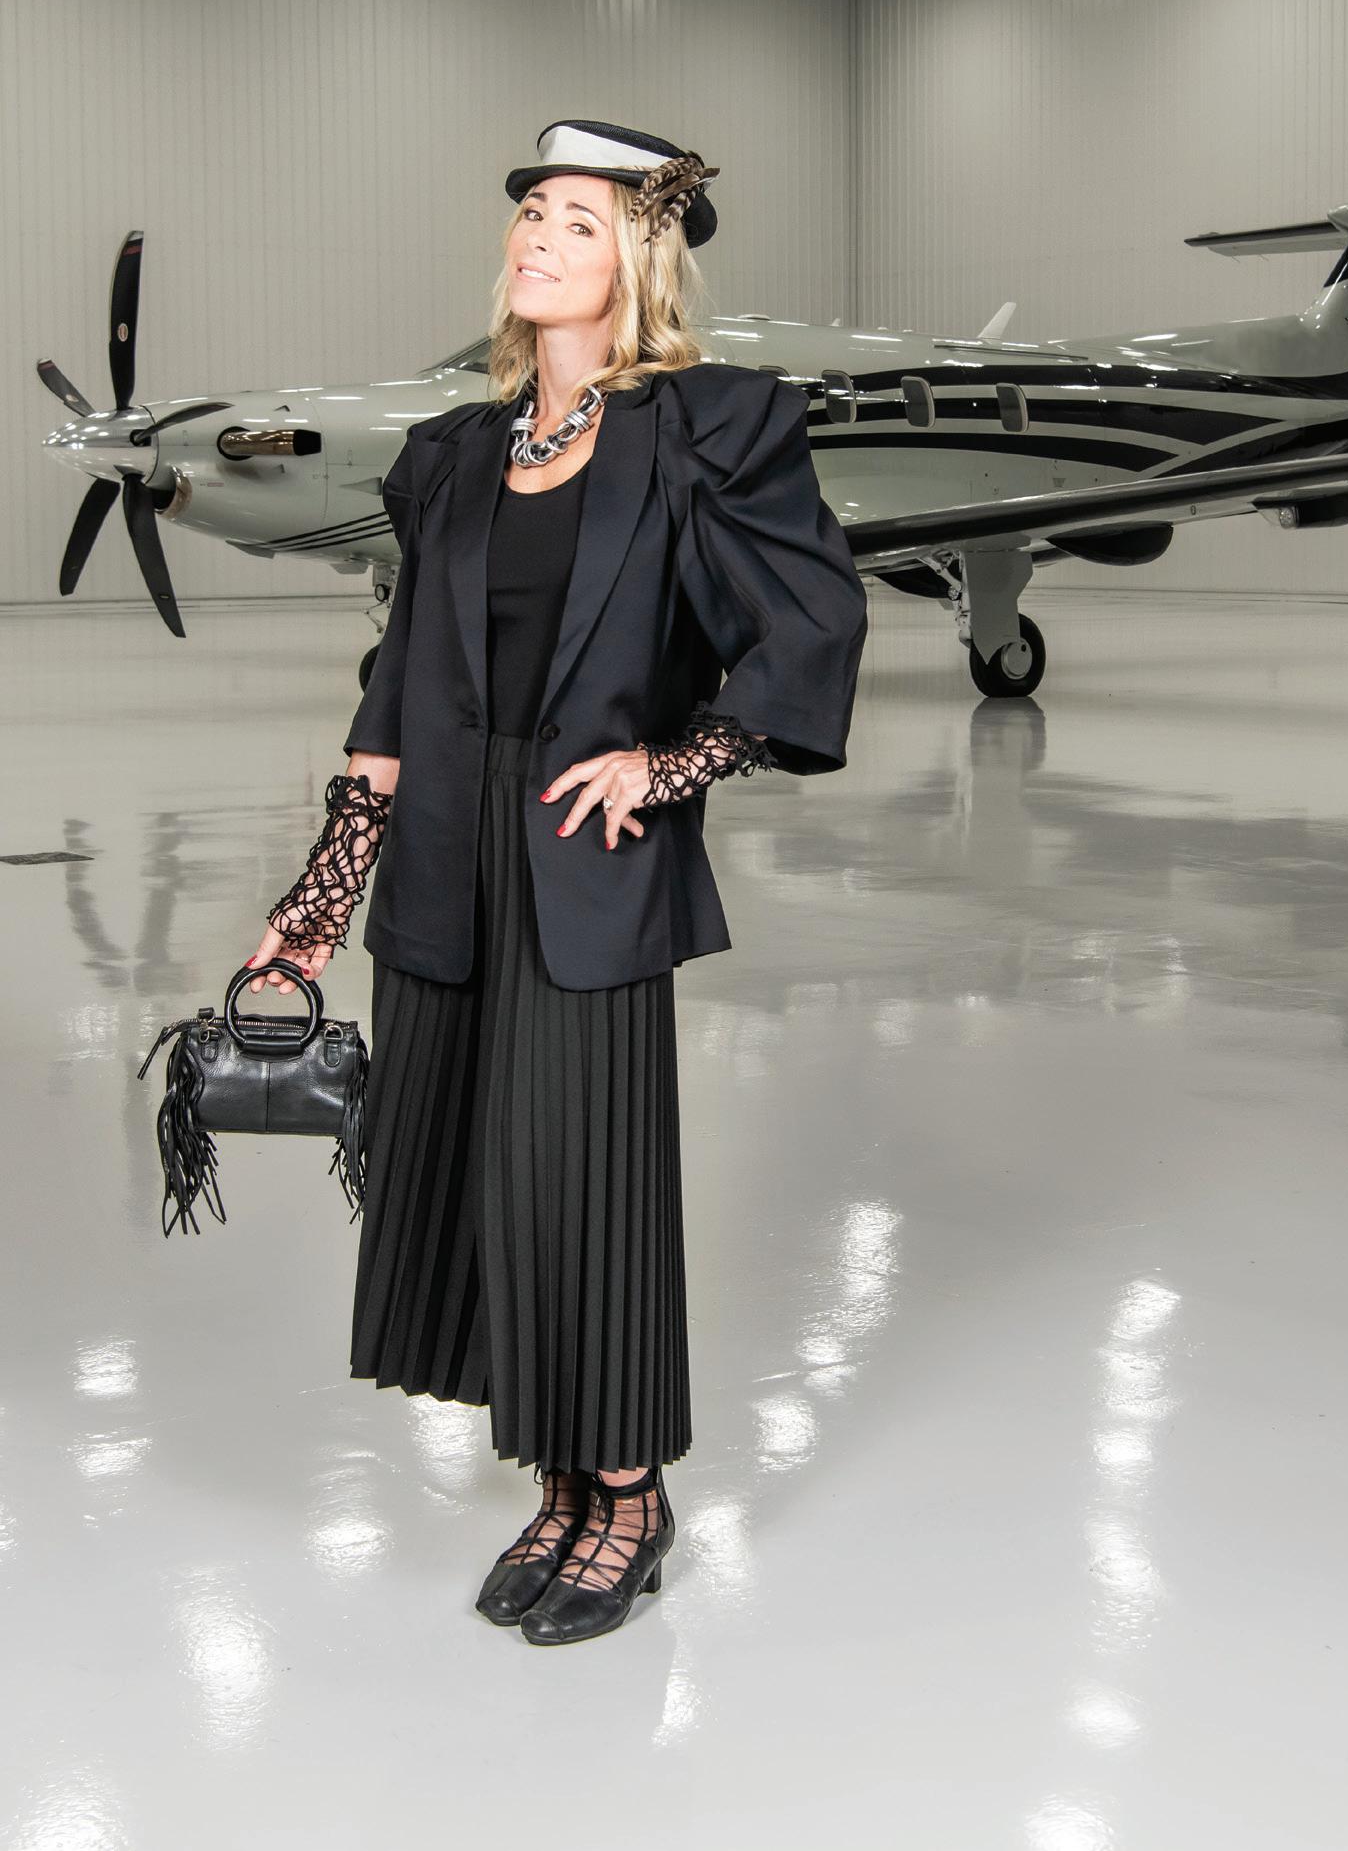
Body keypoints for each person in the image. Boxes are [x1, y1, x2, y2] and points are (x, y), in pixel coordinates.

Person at [245, 118, 868, 1645]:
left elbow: (810, 623)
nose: (537, 236)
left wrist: (669, 764)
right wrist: (315, 906)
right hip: (448, 865)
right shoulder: (457, 456)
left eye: (578, 219)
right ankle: (559, 1481)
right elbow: (395, 690)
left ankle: (629, 1494)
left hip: (585, 866)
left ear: (638, 255)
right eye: (531, 212)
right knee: (479, 1181)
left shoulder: (708, 428)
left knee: (580, 1177)